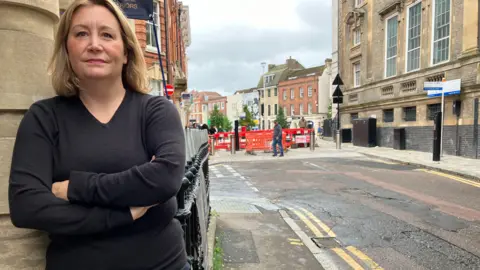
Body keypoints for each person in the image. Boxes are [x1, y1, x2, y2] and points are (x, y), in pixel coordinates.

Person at [8, 0, 189, 269]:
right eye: (81, 33)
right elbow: (27, 206)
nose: (94, 44)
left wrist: (75, 188)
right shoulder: (44, 118)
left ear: (126, 51)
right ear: (67, 49)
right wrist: (124, 213)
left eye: (107, 34)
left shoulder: (155, 111)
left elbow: (165, 178)